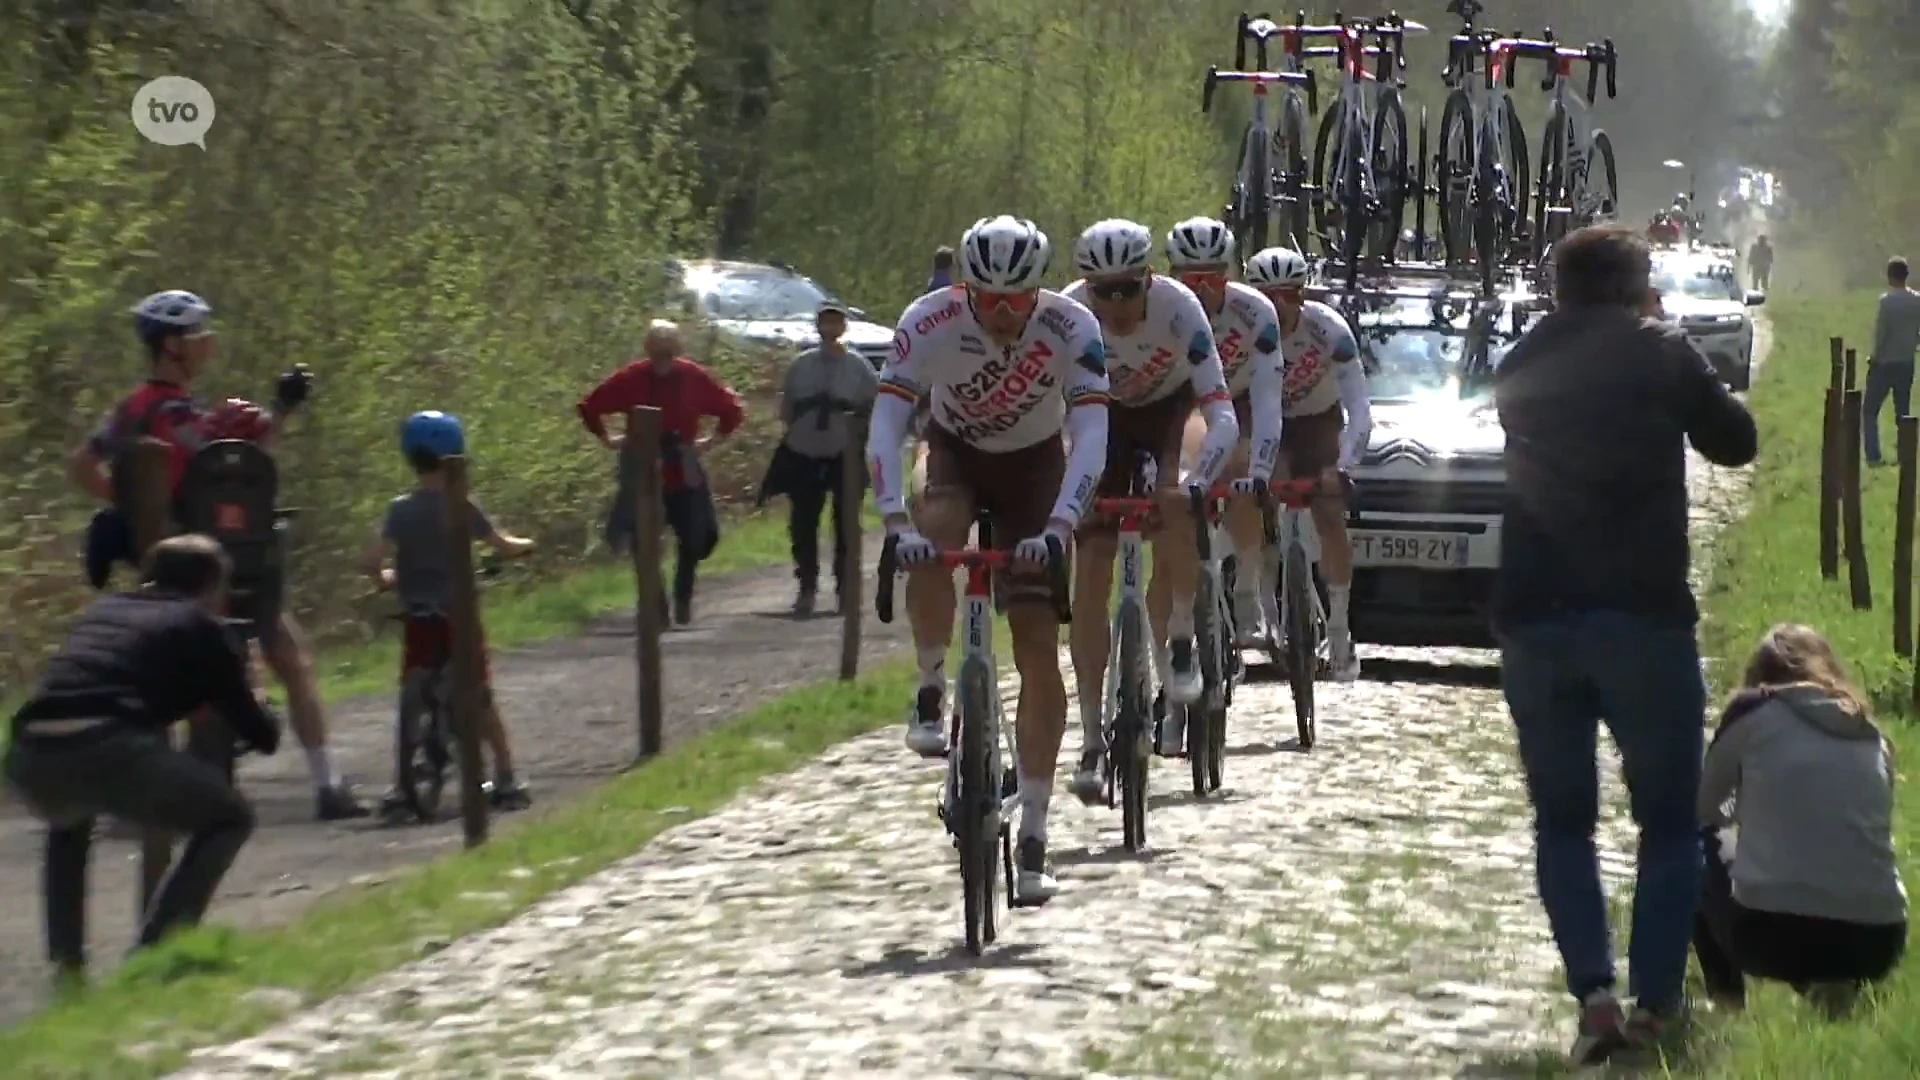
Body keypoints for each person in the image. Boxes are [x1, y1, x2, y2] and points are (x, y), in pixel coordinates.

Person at [1492, 224, 1757, 1063]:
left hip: (1538, 614)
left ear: (1561, 289)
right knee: (1669, 822)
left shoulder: (1523, 357)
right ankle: (1655, 1004)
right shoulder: (1664, 352)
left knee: (1561, 819)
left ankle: (1594, 995)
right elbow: (1737, 442)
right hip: (1643, 616)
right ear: (1640, 285)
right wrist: (1665, 341)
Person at [866, 214, 1109, 904]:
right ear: (967, 290)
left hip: (1036, 469)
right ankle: (931, 679)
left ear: (1039, 291)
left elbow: (1091, 435)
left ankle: (1033, 828)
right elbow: (886, 424)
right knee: (934, 527)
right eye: (990, 300)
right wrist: (891, 521)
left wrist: (1062, 524)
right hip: (954, 451)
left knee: (1037, 645)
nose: (1005, 314)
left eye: (1019, 300)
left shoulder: (1071, 328)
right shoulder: (928, 319)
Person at [65, 290, 366, 821]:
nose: (209, 342)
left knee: (165, 671)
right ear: (173, 344)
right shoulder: (180, 415)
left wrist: (136, 507)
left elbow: (84, 467)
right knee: (290, 657)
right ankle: (329, 785)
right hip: (223, 560)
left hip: (164, 559)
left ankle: (153, 792)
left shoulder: (133, 409)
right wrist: (280, 411)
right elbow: (241, 464)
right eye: (200, 333)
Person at [5, 536, 281, 978]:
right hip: (105, 745)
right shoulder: (200, 626)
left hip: (29, 751)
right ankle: (156, 953)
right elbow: (262, 736)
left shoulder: (103, 612)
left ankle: (67, 964)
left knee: (69, 819)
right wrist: (254, 685)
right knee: (230, 817)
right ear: (213, 584)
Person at [1058, 219, 1239, 788]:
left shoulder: (1180, 308)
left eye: (1126, 289)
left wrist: (1197, 481)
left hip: (1167, 414)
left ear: (1148, 279)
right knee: (1090, 567)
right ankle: (1090, 735)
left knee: (1176, 497)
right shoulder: (1065, 313)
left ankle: (1180, 635)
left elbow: (1222, 415)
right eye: (1101, 291)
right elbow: (1047, 418)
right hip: (1098, 422)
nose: (1114, 303)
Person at [1693, 624, 1907, 1018]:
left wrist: (1741, 820)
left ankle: (1727, 1005)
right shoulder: (1871, 732)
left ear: (1759, 677)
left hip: (1769, 936)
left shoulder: (1751, 710)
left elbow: (1704, 810)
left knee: (1691, 844)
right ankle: (1830, 985)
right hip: (1879, 940)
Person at [363, 411, 538, 818]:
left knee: (411, 685)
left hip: (417, 613)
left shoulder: (400, 509)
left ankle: (402, 784)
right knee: (479, 691)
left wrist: (384, 578)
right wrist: (526, 544)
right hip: (457, 612)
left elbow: (371, 558)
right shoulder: (462, 505)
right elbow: (503, 545)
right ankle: (508, 774)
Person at [1242, 247, 1371, 680]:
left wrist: (1346, 463)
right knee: (1263, 492)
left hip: (1319, 421)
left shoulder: (1329, 329)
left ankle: (1338, 624)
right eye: (1267, 295)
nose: (1278, 306)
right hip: (1268, 422)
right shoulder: (1242, 332)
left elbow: (1359, 409)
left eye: (1288, 294)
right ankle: (1265, 607)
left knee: (1330, 511)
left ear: (1303, 294)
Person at [1164, 217, 1284, 652]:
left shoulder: (1255, 311)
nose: (1201, 288)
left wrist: (1261, 468)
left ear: (1229, 274)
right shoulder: (1161, 305)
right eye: (1190, 278)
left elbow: (1271, 398)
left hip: (1241, 398)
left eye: (1213, 277)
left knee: (1241, 471)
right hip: (1180, 401)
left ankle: (1248, 590)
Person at [577, 320, 744, 624]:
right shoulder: (631, 377)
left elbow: (731, 409)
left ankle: (683, 595)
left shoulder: (693, 376)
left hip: (682, 465)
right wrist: (608, 439)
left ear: (676, 350)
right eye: (656, 352)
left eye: (667, 352)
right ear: (648, 351)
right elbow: (590, 406)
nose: (662, 359)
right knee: (642, 540)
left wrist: (711, 441)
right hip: (642, 469)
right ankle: (656, 606)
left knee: (698, 535)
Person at [769, 300, 878, 615]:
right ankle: (806, 588)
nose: (829, 329)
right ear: (817, 327)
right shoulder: (800, 365)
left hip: (844, 453)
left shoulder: (858, 367)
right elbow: (787, 408)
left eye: (835, 322)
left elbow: (875, 406)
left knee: (846, 525)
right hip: (805, 450)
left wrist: (858, 431)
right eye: (824, 322)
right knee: (803, 523)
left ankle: (846, 590)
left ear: (844, 327)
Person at [1864, 258, 1920, 467]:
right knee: (1902, 410)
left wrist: (1874, 356)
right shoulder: (1917, 300)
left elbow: (1882, 333)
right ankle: (1905, 455)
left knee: (1870, 410)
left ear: (1890, 275)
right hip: (1906, 361)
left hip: (1885, 362)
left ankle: (1873, 456)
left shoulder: (1886, 301)